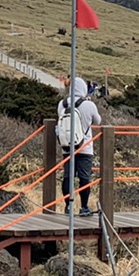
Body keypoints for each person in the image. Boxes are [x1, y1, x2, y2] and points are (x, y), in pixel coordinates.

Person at [57, 76, 101, 216]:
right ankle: (84, 207)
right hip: (85, 147)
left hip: (67, 146)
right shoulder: (89, 105)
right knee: (84, 178)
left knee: (68, 177)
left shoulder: (62, 104)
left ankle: (68, 206)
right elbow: (98, 121)